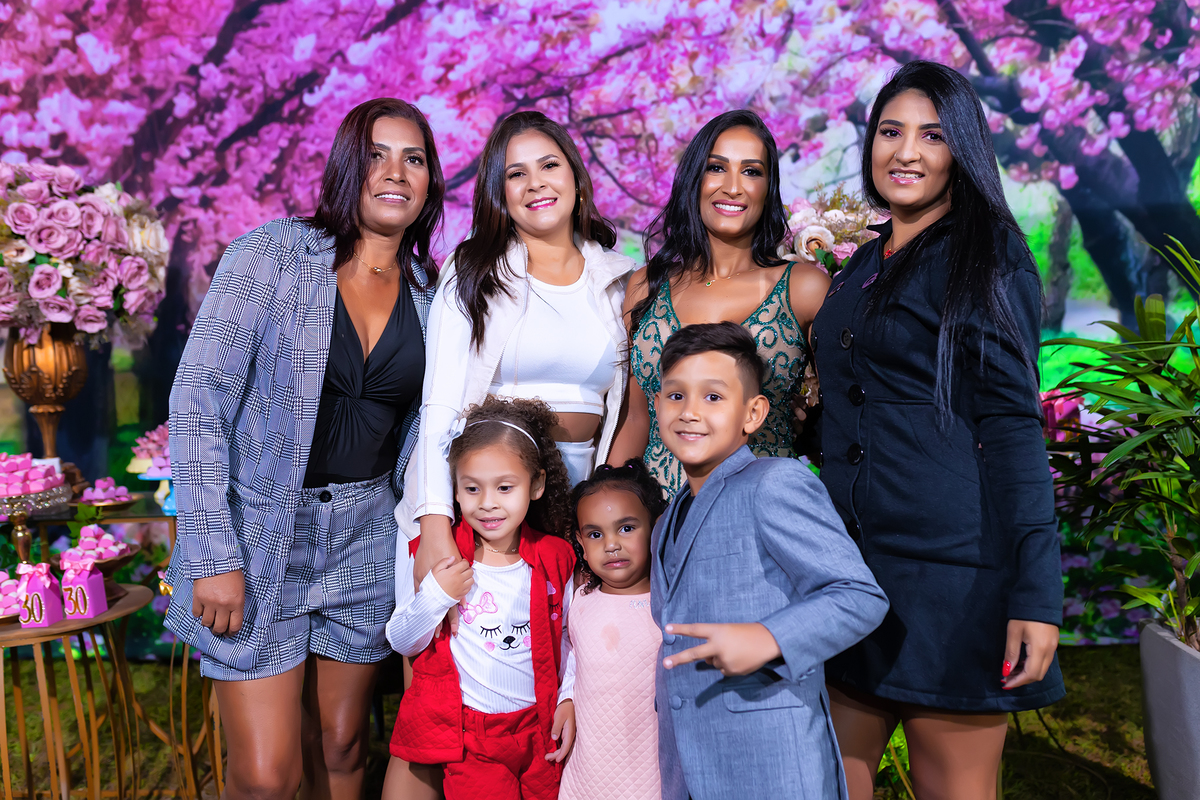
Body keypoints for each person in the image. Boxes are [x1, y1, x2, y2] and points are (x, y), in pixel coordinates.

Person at [163, 98, 444, 800]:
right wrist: (213, 553)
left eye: (413, 159)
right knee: (266, 777)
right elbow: (198, 400)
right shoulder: (274, 255)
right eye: (376, 155)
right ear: (347, 166)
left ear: (429, 180)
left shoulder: (430, 292)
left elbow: (428, 425)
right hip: (260, 533)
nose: (395, 173)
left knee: (344, 747)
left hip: (366, 536)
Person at [813, 61, 1065, 800]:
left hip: (952, 581)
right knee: (825, 783)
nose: (906, 152)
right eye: (890, 132)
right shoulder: (863, 263)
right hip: (854, 574)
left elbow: (1014, 429)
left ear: (963, 149)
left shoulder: (988, 258)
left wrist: (1035, 596)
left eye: (931, 135)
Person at [651, 321, 889, 800]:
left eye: (713, 397)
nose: (690, 412)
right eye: (676, 396)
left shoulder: (774, 483)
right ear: (657, 406)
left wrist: (768, 637)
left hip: (773, 764)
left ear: (753, 413)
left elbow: (859, 596)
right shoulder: (668, 516)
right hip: (690, 771)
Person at [609, 109, 830, 492]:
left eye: (751, 171)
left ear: (769, 187)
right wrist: (610, 502)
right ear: (694, 179)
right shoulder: (646, 286)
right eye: (716, 168)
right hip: (661, 514)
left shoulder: (803, 287)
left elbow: (844, 410)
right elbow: (635, 419)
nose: (733, 187)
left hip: (760, 509)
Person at [384, 396, 578, 800]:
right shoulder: (441, 558)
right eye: (472, 488)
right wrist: (437, 595)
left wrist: (569, 697)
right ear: (454, 490)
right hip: (473, 739)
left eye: (505, 487)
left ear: (536, 485)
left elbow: (571, 638)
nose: (488, 502)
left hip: (540, 729)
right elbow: (402, 640)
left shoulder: (556, 557)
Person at [559, 459, 667, 800]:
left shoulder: (668, 605)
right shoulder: (579, 600)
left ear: (655, 527)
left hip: (651, 773)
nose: (611, 544)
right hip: (585, 775)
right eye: (595, 534)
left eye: (626, 528)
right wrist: (566, 699)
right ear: (580, 541)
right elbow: (573, 657)